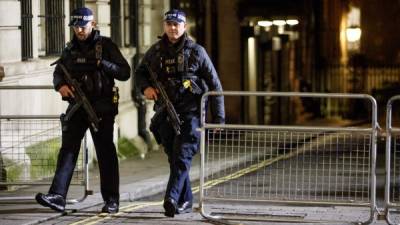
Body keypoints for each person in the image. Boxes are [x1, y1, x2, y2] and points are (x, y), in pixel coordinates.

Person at [35, 7, 130, 213]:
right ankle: (58, 196)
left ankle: (112, 200)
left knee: (106, 154)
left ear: (92, 24)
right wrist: (60, 85)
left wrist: (102, 64)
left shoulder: (106, 46)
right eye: (76, 26)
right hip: (77, 107)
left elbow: (125, 72)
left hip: (102, 109)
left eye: (83, 26)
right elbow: (58, 72)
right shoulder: (70, 49)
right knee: (68, 151)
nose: (79, 30)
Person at [135, 9, 225, 217]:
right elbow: (140, 73)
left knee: (182, 156)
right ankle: (185, 200)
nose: (173, 28)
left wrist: (218, 117)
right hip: (165, 113)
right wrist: (145, 88)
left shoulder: (196, 52)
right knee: (174, 157)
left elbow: (214, 84)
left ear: (185, 27)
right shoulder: (156, 51)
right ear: (165, 26)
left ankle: (171, 198)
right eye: (169, 24)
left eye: (177, 24)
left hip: (191, 113)